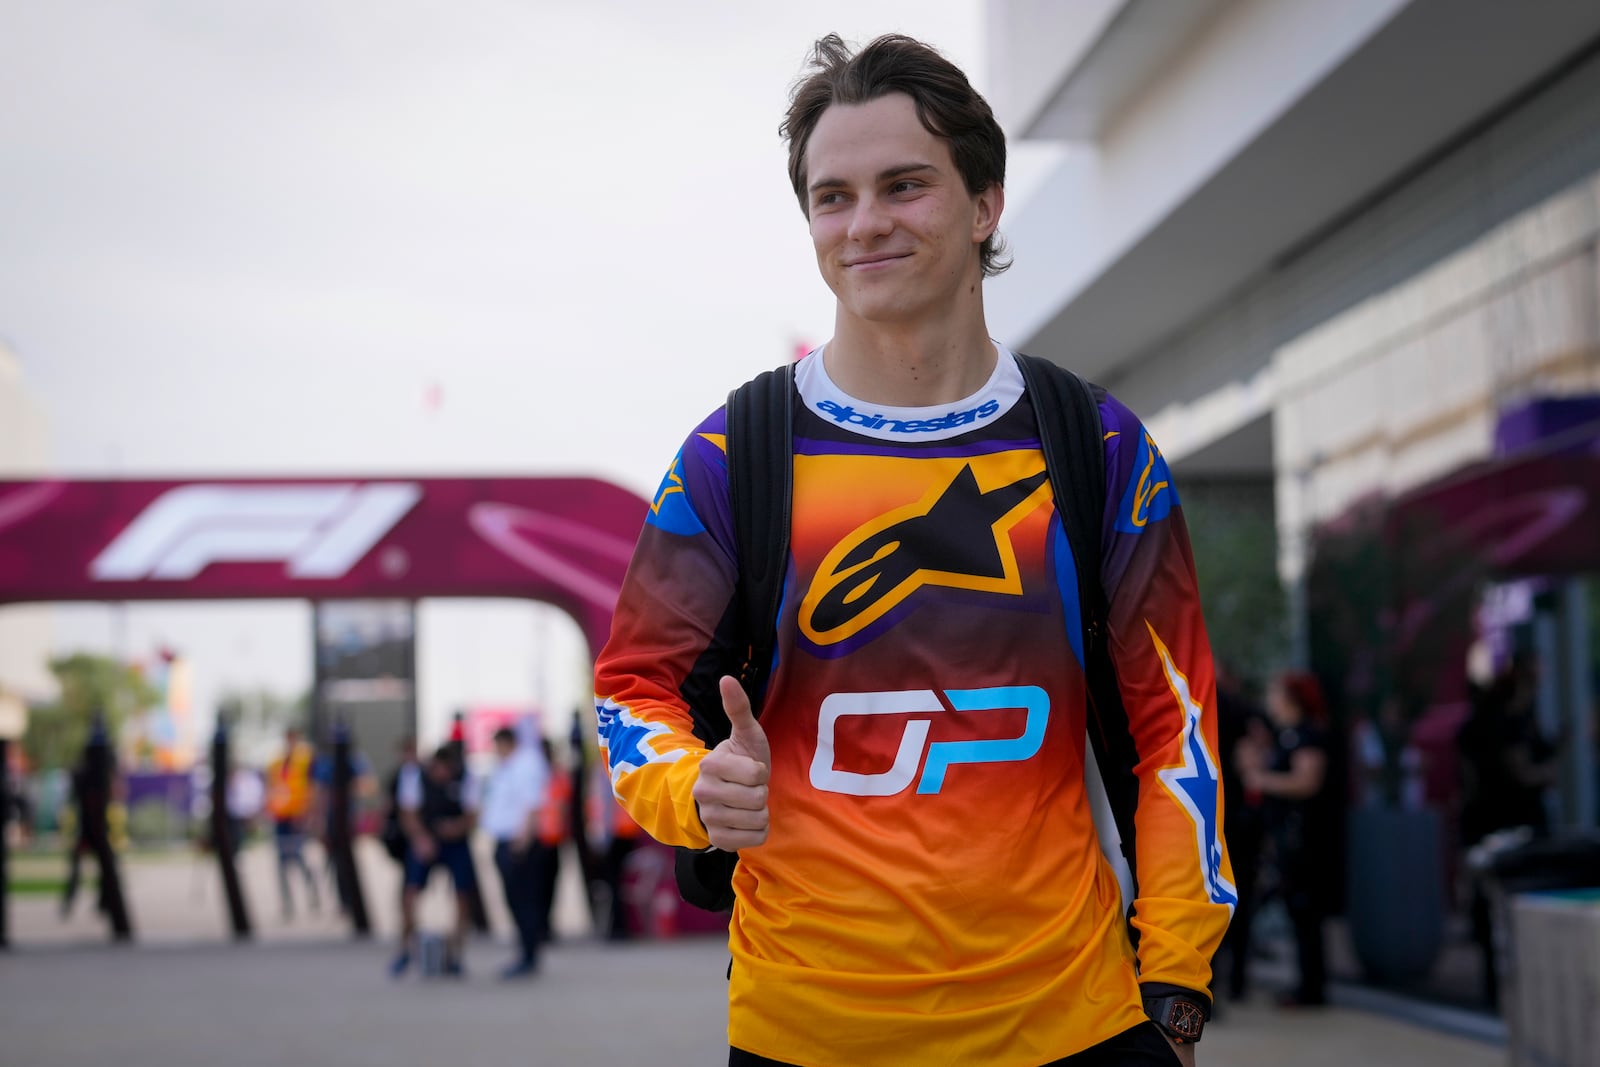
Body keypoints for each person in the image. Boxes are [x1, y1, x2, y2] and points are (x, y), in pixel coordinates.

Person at [592, 33, 1232, 1067]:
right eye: (831, 196)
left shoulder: (1099, 446)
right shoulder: (733, 453)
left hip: (1073, 1027)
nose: (865, 223)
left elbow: (1178, 736)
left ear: (985, 204)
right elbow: (630, 691)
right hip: (806, 1034)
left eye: (904, 185)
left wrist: (1176, 997)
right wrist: (692, 788)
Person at [1239, 671, 1334, 1008]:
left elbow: (1307, 782)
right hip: (1288, 838)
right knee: (1297, 913)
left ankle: (1312, 989)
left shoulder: (1307, 736)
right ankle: (1306, 985)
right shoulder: (1287, 737)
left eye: (1275, 694)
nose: (1271, 701)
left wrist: (1263, 780)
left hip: (1304, 841)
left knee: (1305, 912)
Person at [391, 745, 478, 978]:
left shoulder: (466, 777)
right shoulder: (415, 776)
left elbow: (472, 815)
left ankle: (456, 954)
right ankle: (405, 949)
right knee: (410, 894)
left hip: (456, 842)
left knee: (462, 896)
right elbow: (408, 813)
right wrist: (421, 839)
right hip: (425, 838)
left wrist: (456, 828)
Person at [481, 725, 549, 979]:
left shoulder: (525, 764)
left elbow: (531, 804)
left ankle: (529, 954)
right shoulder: (507, 765)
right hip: (506, 839)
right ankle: (525, 951)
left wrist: (523, 839)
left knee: (524, 900)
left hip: (518, 842)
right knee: (514, 900)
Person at [264, 727, 320, 919]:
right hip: (281, 816)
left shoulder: (306, 758)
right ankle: (287, 903)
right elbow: (272, 787)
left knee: (299, 857)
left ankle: (312, 894)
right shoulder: (277, 761)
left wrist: (309, 813)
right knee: (281, 862)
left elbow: (312, 787)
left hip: (298, 815)